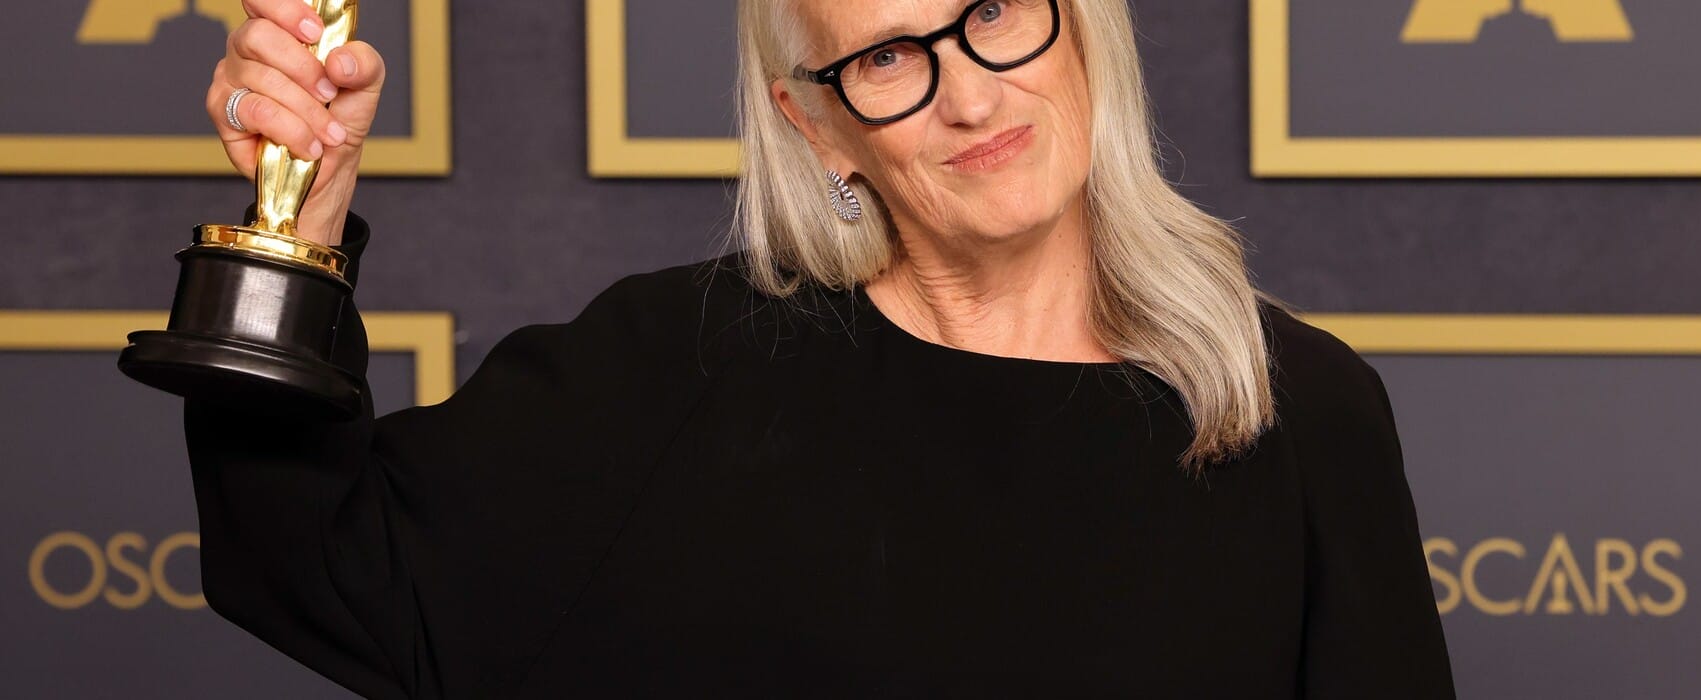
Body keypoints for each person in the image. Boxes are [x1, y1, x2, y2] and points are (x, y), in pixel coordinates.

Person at [191, 0, 1456, 696]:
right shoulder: (675, 367)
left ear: (1084, 26)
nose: (969, 97)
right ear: (818, 123)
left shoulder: (1300, 410)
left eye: (999, 10)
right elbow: (322, 565)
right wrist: (296, 216)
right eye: (891, 56)